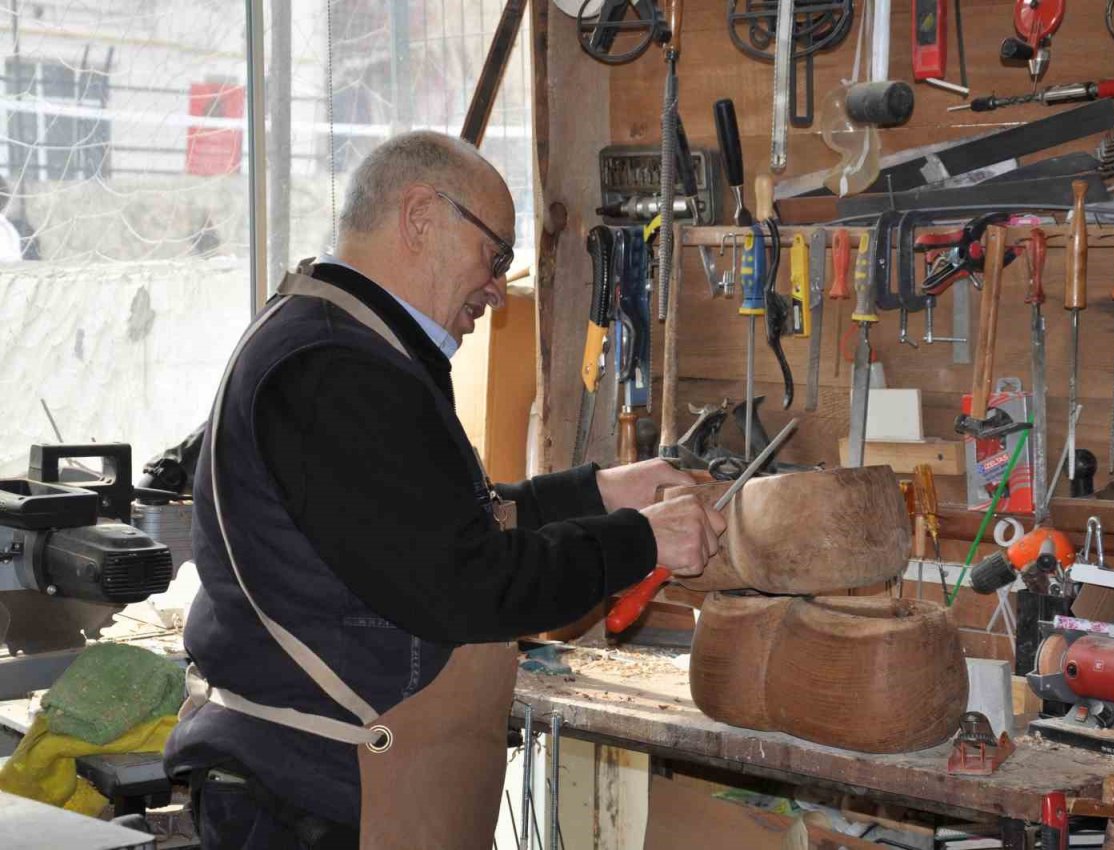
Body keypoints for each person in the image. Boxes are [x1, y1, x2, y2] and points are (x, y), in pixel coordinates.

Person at [163, 131, 726, 849]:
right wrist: (640, 540)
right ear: (421, 217)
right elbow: (463, 586)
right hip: (315, 804)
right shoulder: (336, 371)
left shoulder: (346, 342)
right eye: (494, 256)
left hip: (327, 793)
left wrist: (601, 493)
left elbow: (436, 523)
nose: (497, 286)